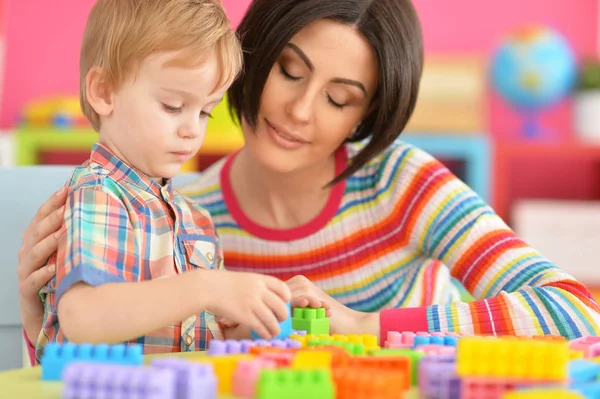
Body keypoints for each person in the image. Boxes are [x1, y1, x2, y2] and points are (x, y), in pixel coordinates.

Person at [19, 0, 600, 365]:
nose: (299, 110)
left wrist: (366, 327)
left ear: (365, 116)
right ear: (250, 57)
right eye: (288, 71)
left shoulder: (403, 184)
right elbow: (116, 365)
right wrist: (34, 309)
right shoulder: (185, 219)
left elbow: (577, 313)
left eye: (339, 98)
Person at [32, 0, 302, 364]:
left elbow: (209, 336)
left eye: (206, 110)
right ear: (104, 92)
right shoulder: (100, 191)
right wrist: (205, 287)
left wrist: (267, 315)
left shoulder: (196, 221)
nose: (193, 130)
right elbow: (82, 315)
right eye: (173, 106)